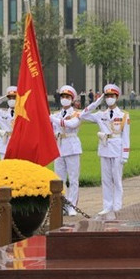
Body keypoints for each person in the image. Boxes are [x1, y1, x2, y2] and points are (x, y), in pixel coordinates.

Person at [81, 84, 131, 216]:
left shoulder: (124, 115)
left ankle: (117, 205)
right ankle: (107, 205)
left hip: (117, 148)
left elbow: (126, 136)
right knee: (106, 179)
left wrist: (125, 154)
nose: (109, 98)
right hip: (104, 147)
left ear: (117, 97)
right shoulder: (100, 114)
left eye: (112, 96)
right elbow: (82, 115)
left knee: (117, 179)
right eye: (107, 96)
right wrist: (96, 102)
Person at [50, 85, 83, 215]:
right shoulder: (56, 114)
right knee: (59, 179)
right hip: (58, 146)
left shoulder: (76, 114)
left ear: (72, 99)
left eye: (67, 97)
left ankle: (72, 206)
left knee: (73, 178)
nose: (64, 99)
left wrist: (53, 119)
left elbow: (72, 124)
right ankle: (61, 205)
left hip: (72, 146)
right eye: (63, 97)